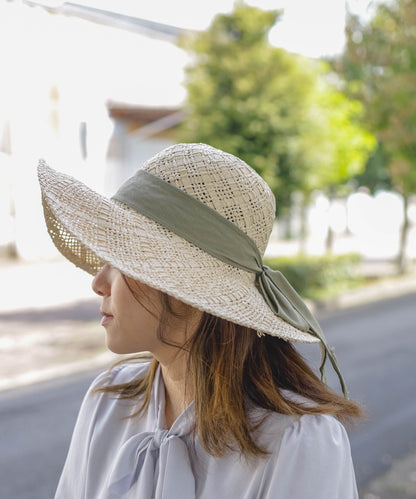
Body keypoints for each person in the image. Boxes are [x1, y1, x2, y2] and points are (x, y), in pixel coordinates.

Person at [37, 143, 363, 498]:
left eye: (122, 261)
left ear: (180, 286)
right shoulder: (109, 402)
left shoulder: (297, 441)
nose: (98, 283)